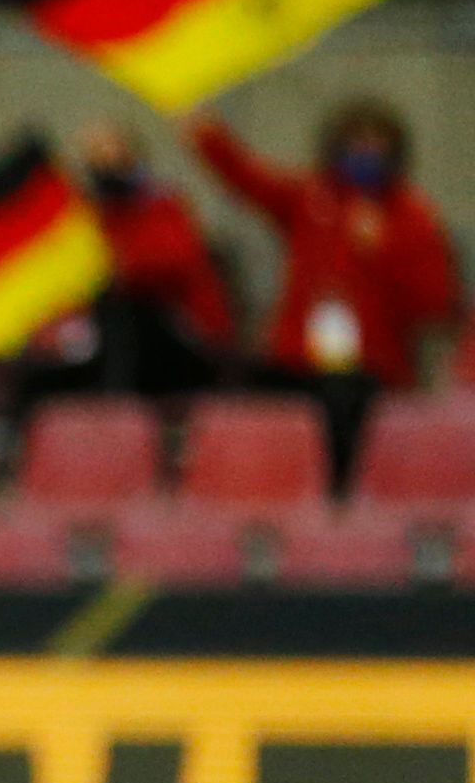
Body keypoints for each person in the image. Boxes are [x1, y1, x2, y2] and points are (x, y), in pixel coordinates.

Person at [188, 98, 458, 491]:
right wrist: (208, 137)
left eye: (375, 145)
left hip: (369, 367)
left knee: (342, 406)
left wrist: (385, 250)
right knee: (238, 396)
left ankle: (336, 508)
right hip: (296, 357)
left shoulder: (411, 216)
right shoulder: (312, 198)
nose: (365, 154)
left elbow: (435, 302)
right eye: (356, 143)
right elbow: (252, 181)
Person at [0, 119, 233, 467]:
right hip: (107, 351)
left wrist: (104, 265)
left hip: (177, 350)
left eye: (111, 154)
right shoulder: (87, 216)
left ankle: (122, 443)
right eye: (95, 157)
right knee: (41, 374)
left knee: (126, 311)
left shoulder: (163, 208)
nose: (104, 165)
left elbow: (167, 262)